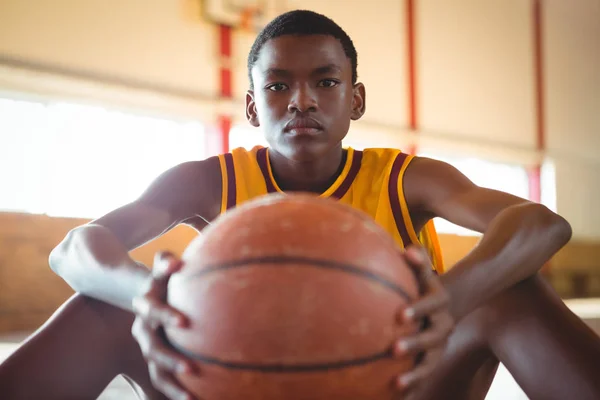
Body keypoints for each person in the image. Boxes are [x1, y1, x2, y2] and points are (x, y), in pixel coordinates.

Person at [2, 9, 600, 400]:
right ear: (253, 108)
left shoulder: (404, 179)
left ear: (356, 99)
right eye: (278, 85)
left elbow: (541, 223)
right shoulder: (208, 182)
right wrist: (152, 300)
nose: (301, 100)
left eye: (326, 81)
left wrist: (451, 298)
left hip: (394, 381)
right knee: (102, 306)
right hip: (245, 378)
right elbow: (75, 249)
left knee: (512, 293)